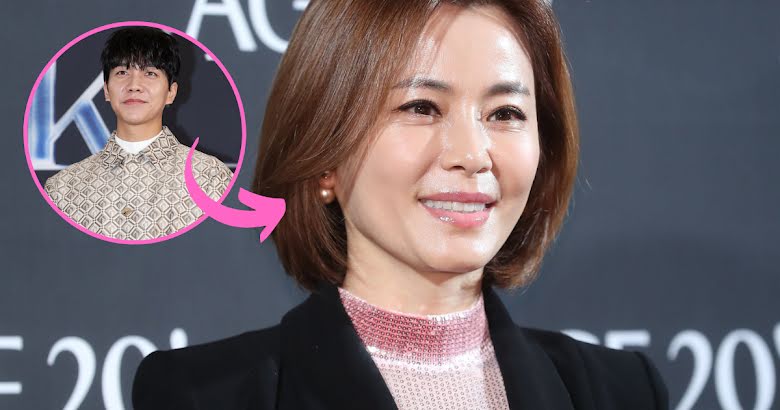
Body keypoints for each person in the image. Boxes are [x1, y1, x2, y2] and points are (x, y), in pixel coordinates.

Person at [132, 0, 669, 408]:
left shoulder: (619, 391)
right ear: (325, 156)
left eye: (505, 113)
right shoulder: (204, 394)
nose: (471, 155)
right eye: (421, 107)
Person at [44, 26, 233, 241]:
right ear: (106, 90)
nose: (134, 86)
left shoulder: (210, 178)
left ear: (171, 92)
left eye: (150, 73)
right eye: (122, 73)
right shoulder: (63, 188)